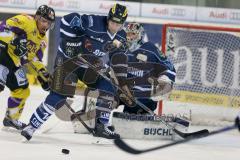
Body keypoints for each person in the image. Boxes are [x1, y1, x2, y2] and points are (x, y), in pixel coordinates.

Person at [21, 3, 128, 140]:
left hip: (87, 66)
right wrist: (72, 40)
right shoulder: (93, 22)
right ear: (108, 18)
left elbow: (117, 59)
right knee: (59, 95)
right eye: (112, 22)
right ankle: (32, 126)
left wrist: (121, 79)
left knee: (108, 87)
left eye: (118, 24)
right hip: (66, 62)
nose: (115, 27)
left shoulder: (121, 36)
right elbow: (66, 20)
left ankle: (102, 126)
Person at [0, 5, 55, 130]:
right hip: (2, 53)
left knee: (23, 89)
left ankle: (11, 119)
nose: (45, 25)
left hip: (14, 62)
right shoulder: (25, 21)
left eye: (49, 22)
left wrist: (43, 74)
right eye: (44, 21)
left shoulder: (43, 41)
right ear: (36, 17)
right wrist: (15, 40)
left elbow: (34, 60)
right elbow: (2, 28)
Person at [121, 22, 176, 114]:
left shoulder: (150, 48)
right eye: (128, 33)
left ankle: (144, 113)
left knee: (140, 106)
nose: (129, 36)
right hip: (126, 94)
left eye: (133, 33)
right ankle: (102, 119)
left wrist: (165, 78)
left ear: (140, 35)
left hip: (145, 97)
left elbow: (170, 67)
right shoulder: (122, 49)